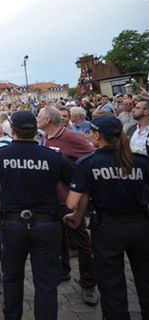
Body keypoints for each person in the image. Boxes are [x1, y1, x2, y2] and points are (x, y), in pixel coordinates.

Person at [0, 111, 74, 320]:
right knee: (46, 282)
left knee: (12, 279)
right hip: (46, 224)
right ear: (35, 131)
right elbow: (75, 184)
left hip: (12, 222)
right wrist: (73, 208)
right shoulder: (53, 155)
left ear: (12, 131)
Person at [65, 115, 149, 320]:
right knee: (146, 280)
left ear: (97, 135)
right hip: (140, 225)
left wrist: (76, 215)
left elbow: (72, 202)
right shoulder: (140, 161)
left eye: (91, 133)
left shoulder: (88, 163)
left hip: (107, 228)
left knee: (111, 285)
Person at [37, 105, 98, 306]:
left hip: (71, 199)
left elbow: (92, 158)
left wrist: (77, 183)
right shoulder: (46, 138)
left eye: (39, 116)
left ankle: (88, 284)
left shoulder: (71, 137)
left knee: (81, 240)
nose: (37, 118)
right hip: (53, 199)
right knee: (59, 237)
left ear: (48, 121)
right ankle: (64, 270)